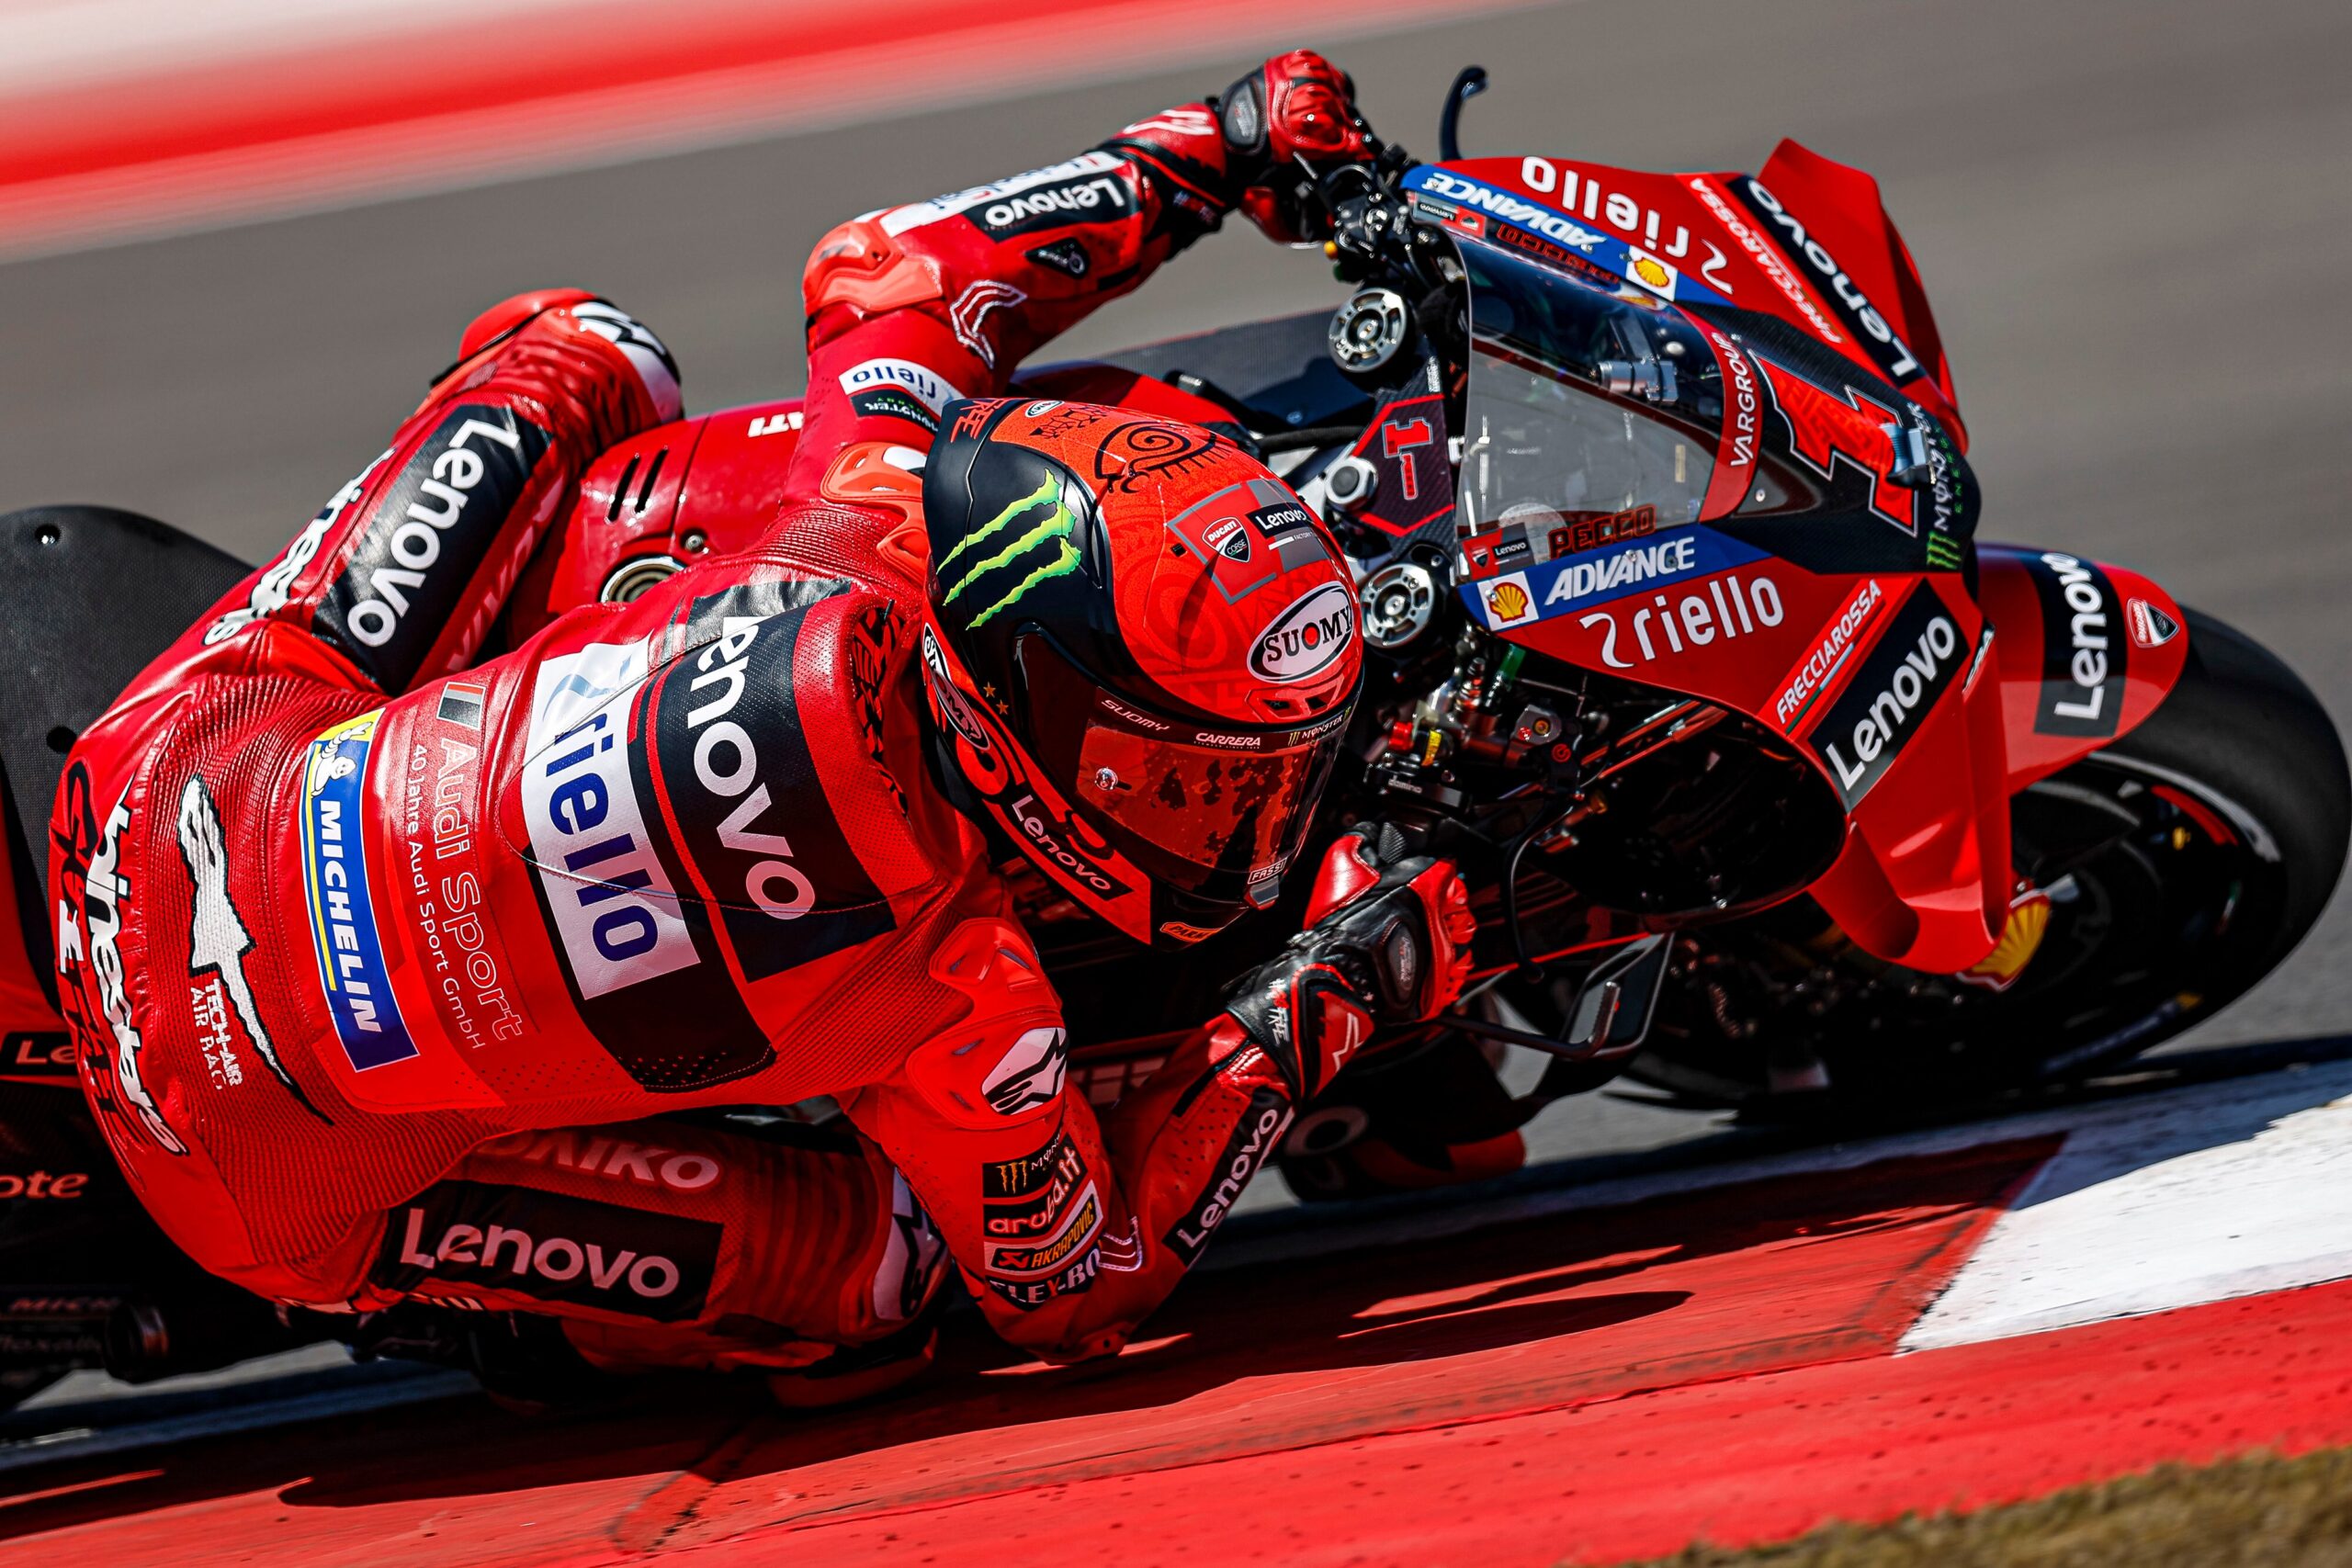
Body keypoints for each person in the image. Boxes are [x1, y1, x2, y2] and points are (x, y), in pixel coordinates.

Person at [49, 49, 1473, 1402]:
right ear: (1025, 720)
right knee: (879, 1280)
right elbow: (1073, 1290)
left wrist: (1209, 149)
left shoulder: (863, 510)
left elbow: (888, 271)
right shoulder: (957, 994)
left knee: (592, 353)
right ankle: (487, 1322)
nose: (1244, 819)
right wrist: (1312, 1017)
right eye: (1181, 777)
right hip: (242, 1170)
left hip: (148, 787)